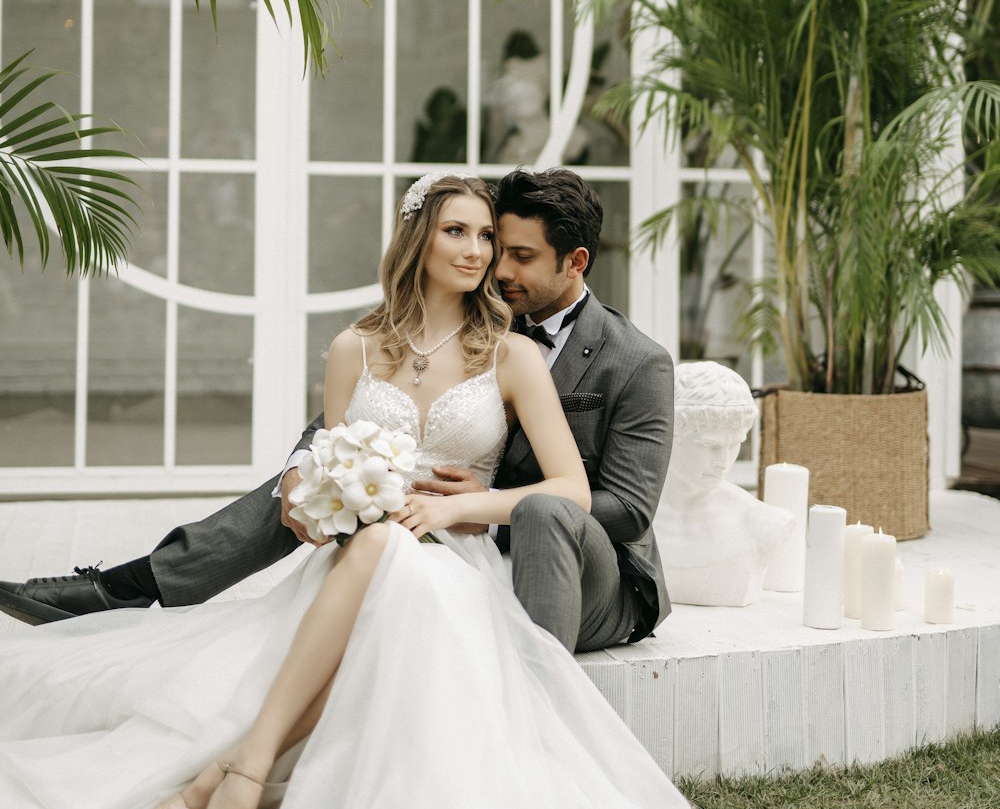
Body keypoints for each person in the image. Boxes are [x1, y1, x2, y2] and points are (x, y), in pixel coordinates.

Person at [0, 173, 824, 809]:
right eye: (465, 236)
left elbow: (602, 501)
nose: (485, 257)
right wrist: (314, 490)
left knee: (396, 552)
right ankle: (178, 664)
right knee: (367, 539)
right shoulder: (355, 347)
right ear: (420, 241)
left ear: (570, 262)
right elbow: (325, 450)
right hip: (369, 552)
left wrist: (462, 503)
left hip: (519, 555)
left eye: (500, 246)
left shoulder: (565, 355)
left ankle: (230, 772)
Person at [0, 168, 672, 656]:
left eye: (514, 254)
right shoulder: (473, 324)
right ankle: (129, 587)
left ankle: (536, 692)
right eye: (491, 245)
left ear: (575, 261)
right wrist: (306, 471)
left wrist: (485, 500)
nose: (493, 265)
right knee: (326, 474)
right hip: (433, 526)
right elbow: (351, 420)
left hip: (581, 566)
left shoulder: (632, 360)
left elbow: (628, 510)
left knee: (529, 508)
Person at [659, 361, 795, 606]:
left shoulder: (763, 523)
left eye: (734, 445)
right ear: (669, 435)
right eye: (709, 446)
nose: (723, 462)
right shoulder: (632, 515)